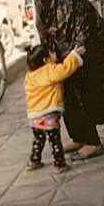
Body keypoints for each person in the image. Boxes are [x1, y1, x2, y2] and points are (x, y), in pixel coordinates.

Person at [19, 0, 104, 160]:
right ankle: (80, 136)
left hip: (93, 50)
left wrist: (71, 58)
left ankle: (91, 141)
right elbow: (45, 30)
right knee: (64, 92)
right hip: (69, 53)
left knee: (79, 93)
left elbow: (82, 32)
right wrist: (51, 56)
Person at [24, 42, 85, 173]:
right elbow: (65, 69)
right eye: (52, 53)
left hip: (35, 116)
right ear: (45, 60)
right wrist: (74, 55)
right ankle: (59, 163)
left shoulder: (30, 75)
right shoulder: (49, 71)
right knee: (55, 140)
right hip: (49, 114)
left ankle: (34, 160)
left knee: (38, 140)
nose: (55, 54)